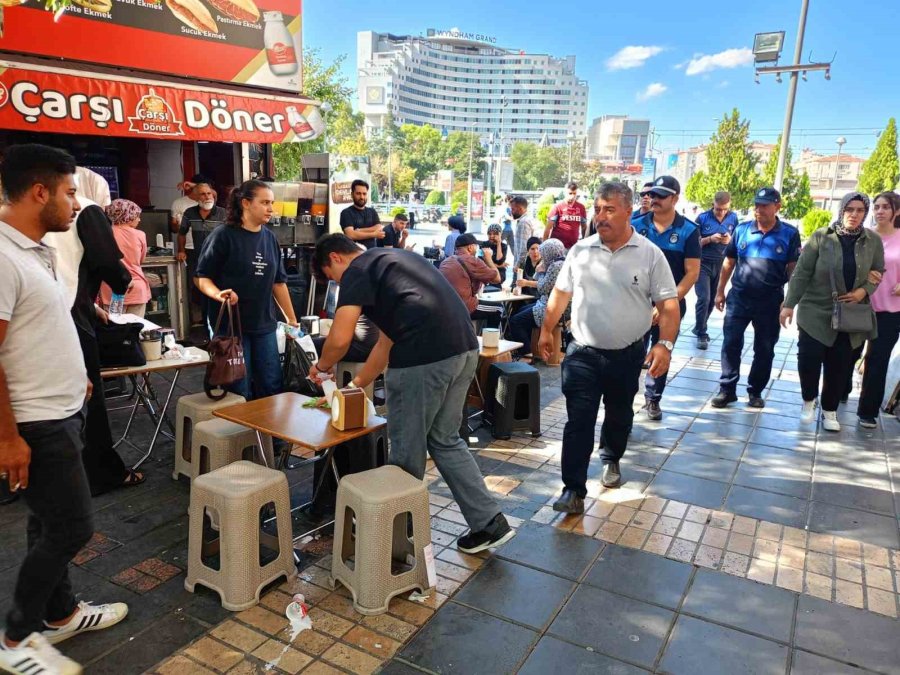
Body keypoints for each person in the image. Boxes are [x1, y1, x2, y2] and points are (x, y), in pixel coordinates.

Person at [0, 144, 128, 675]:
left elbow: (46, 327)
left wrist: (79, 381)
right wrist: (8, 438)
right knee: (72, 528)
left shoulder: (39, 249)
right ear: (39, 192)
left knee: (46, 521)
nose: (78, 204)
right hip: (37, 422)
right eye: (70, 191)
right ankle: (15, 639)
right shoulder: (3, 258)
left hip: (64, 407)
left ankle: (61, 614)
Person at [309, 234, 515, 554]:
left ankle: (399, 539)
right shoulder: (393, 261)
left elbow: (340, 337)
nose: (336, 284)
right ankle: (490, 523)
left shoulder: (357, 270)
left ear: (335, 258)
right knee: (445, 439)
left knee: (406, 450)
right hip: (463, 350)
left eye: (329, 278)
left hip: (423, 360)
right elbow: (384, 344)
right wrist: (353, 385)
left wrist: (320, 367)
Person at [536, 182, 679, 511]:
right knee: (578, 420)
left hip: (627, 355)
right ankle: (573, 489)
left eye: (609, 209)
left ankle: (611, 456)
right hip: (582, 352)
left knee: (618, 414)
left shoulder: (649, 255)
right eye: (598, 209)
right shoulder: (580, 251)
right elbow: (560, 294)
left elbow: (669, 306)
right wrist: (547, 330)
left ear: (630, 211)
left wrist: (665, 345)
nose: (601, 216)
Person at [44, 178, 142, 495]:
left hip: (56, 311)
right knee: (87, 398)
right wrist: (119, 284)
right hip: (67, 315)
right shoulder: (87, 209)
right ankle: (99, 473)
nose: (74, 203)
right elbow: (110, 266)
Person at [781, 192, 884, 432]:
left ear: (865, 213)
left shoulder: (872, 241)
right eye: (849, 209)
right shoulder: (822, 237)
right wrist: (789, 304)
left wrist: (863, 291)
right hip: (816, 309)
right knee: (808, 360)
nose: (854, 215)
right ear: (841, 210)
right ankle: (809, 400)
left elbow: (879, 271)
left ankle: (829, 411)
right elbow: (802, 272)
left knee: (839, 365)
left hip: (849, 314)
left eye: (859, 210)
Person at [196, 180, 299, 400]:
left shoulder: (270, 238)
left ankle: (270, 433)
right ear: (245, 203)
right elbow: (201, 278)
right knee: (239, 388)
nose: (271, 208)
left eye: (272, 203)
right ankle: (241, 434)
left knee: (271, 384)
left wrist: (292, 320)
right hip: (230, 327)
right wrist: (218, 294)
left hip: (264, 325)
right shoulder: (223, 235)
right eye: (264, 202)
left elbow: (279, 283)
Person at [712, 188, 802, 408]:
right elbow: (729, 263)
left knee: (765, 348)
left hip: (770, 301)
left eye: (764, 205)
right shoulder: (742, 230)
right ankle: (727, 389)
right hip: (740, 298)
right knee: (731, 343)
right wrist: (720, 291)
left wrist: (789, 302)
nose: (759, 209)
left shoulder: (789, 233)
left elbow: (793, 270)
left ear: (777, 206)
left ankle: (755, 391)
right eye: (757, 205)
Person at [633, 176, 700, 421]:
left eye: (661, 196)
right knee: (631, 352)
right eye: (652, 195)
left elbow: (692, 273)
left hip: (670, 304)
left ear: (675, 199)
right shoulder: (636, 224)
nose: (654, 199)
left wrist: (666, 304)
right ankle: (625, 400)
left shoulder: (688, 230)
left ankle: (653, 398)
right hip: (635, 303)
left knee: (662, 349)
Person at [858, 191, 900, 427]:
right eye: (877, 207)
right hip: (860, 305)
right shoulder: (864, 236)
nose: (880, 211)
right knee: (848, 354)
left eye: (886, 207)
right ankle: (838, 394)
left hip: (890, 311)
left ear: (897, 211)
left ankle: (867, 411)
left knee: (877, 359)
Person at [507, 238, 568, 357]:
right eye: (532, 249)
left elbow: (543, 288)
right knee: (519, 311)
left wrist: (537, 275)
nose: (539, 253)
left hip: (551, 306)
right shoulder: (558, 263)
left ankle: (526, 354)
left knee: (515, 321)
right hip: (549, 302)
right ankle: (529, 346)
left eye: (541, 251)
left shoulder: (555, 266)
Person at [693, 191, 738, 349]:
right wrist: (710, 239)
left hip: (721, 264)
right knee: (703, 298)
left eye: (724, 209)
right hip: (702, 263)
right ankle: (701, 333)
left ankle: (700, 325)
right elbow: (693, 242)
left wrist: (729, 240)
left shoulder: (733, 218)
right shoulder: (703, 218)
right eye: (718, 209)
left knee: (712, 299)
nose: (721, 212)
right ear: (713, 204)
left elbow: (736, 241)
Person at [439, 233, 503, 329]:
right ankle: (491, 341)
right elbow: (497, 279)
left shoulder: (446, 261)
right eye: (476, 247)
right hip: (463, 307)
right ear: (470, 247)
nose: (477, 249)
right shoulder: (473, 260)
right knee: (498, 308)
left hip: (444, 307)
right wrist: (489, 259)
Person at [99, 199, 150, 317]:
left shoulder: (105, 233)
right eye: (137, 216)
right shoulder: (140, 235)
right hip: (136, 289)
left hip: (111, 289)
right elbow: (141, 261)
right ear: (129, 215)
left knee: (114, 328)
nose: (139, 219)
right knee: (135, 329)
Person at [339, 180, 384, 249]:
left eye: (364, 194)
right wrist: (373, 234)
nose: (362, 197)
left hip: (371, 253)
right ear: (352, 194)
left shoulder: (372, 211)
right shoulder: (346, 213)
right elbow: (350, 234)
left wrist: (360, 230)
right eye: (358, 193)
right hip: (354, 254)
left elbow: (379, 227)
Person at [544, 182, 586, 249]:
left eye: (574, 193)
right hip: (558, 248)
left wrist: (585, 244)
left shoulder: (581, 207)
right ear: (565, 193)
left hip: (573, 247)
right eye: (570, 193)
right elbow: (548, 229)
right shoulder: (557, 207)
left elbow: (584, 228)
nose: (572, 196)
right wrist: (545, 247)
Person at [169, 174, 206, 247]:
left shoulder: (207, 202)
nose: (206, 194)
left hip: (206, 246)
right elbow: (175, 230)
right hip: (187, 247)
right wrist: (175, 225)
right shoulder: (178, 203)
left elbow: (214, 193)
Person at [510, 195, 536, 263]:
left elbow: (524, 248)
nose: (511, 212)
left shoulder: (523, 222)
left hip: (522, 266)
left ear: (520, 209)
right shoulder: (526, 219)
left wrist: (518, 265)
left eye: (513, 209)